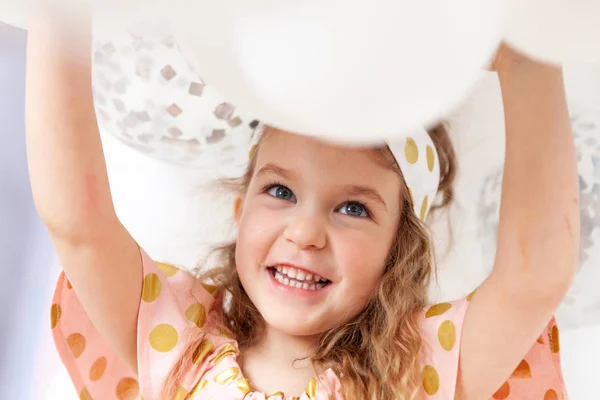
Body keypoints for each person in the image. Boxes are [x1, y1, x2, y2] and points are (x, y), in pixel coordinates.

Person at [26, 3, 579, 400]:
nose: (305, 231)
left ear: (398, 251)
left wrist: (527, 55)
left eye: (354, 209)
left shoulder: (417, 371)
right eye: (281, 191)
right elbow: (79, 222)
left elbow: (535, 274)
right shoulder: (181, 341)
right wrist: (59, 16)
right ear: (240, 213)